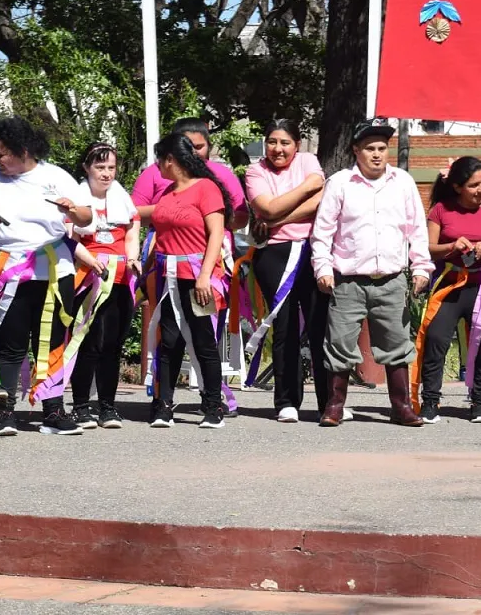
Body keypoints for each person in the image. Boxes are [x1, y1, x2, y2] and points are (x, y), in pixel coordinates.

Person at [0, 116, 93, 437]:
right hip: (10, 268)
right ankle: (5, 411)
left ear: (24, 150)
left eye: (2, 153)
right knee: (11, 344)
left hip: (55, 268)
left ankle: (53, 411)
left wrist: (71, 211)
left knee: (51, 341)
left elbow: (86, 216)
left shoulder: (55, 176)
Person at [310, 118, 432, 428]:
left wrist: (421, 266)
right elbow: (322, 232)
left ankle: (402, 406)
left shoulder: (402, 181)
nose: (377, 154)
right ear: (356, 150)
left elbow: (416, 229)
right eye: (369, 149)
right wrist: (322, 267)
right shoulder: (339, 183)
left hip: (390, 280)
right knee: (339, 344)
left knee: (396, 345)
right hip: (348, 281)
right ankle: (334, 405)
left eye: (382, 148)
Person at [142, 133, 234, 429]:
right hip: (167, 277)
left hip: (196, 277)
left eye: (159, 159)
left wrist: (205, 274)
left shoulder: (206, 189)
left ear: (171, 159)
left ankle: (212, 406)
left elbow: (216, 234)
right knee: (168, 342)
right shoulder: (166, 194)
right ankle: (163, 405)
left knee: (204, 340)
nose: (157, 165)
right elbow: (144, 218)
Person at [412, 156, 481, 424]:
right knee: (436, 339)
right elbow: (428, 248)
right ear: (457, 187)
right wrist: (451, 247)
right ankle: (430, 400)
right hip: (450, 282)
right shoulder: (441, 210)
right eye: (474, 185)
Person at [243, 119, 330, 423]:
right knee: (285, 326)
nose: (277, 149)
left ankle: (329, 401)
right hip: (274, 255)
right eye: (272, 142)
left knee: (321, 326)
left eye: (285, 143)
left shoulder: (308, 161)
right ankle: (286, 401)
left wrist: (280, 216)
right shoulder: (256, 171)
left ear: (297, 144)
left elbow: (322, 198)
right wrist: (301, 194)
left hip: (312, 250)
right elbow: (266, 209)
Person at [68, 143, 141, 430]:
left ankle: (108, 407)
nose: (107, 173)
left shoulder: (124, 200)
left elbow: (132, 234)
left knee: (113, 344)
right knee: (89, 343)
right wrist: (90, 260)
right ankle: (82, 406)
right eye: (100, 167)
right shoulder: (76, 200)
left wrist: (133, 258)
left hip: (121, 279)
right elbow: (68, 239)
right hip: (88, 278)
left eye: (111, 167)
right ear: (87, 168)